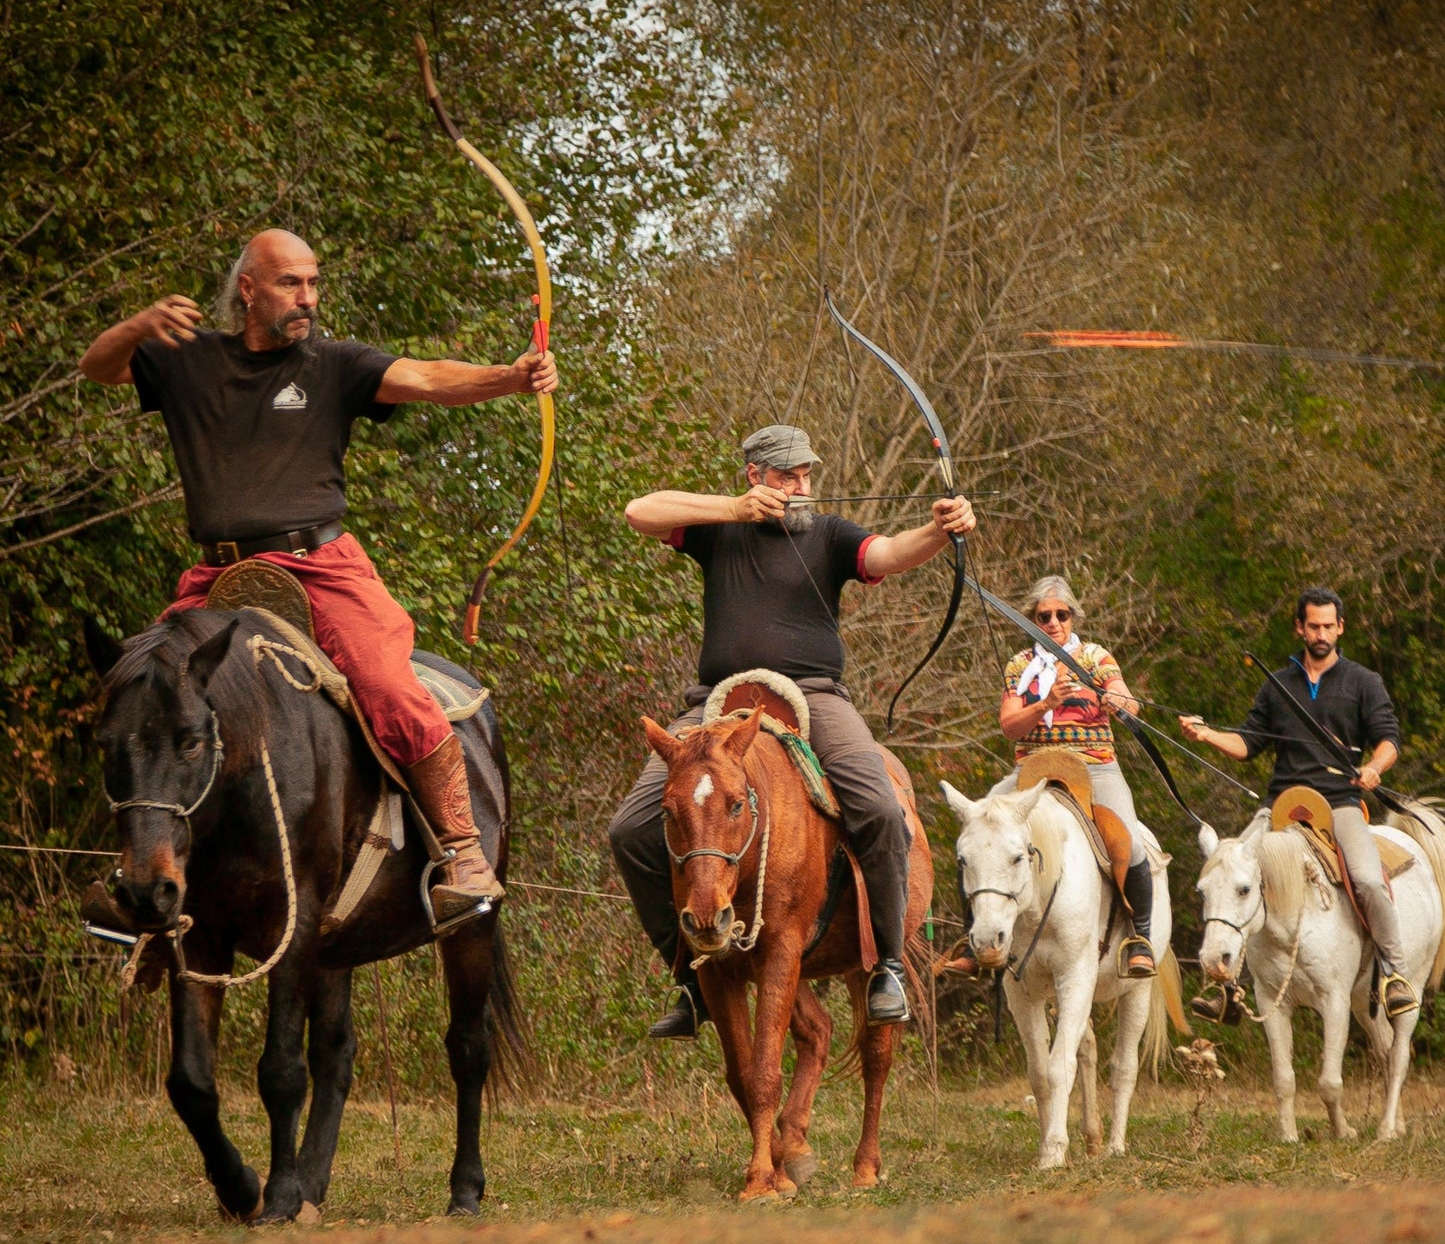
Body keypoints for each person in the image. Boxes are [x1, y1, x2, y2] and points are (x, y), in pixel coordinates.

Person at [78, 228, 558, 929]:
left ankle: (460, 852)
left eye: (312, 282)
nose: (306, 296)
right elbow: (98, 368)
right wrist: (140, 325)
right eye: (289, 283)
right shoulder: (186, 359)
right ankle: (138, 885)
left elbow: (425, 376)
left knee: (390, 686)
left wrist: (510, 377)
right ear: (248, 289)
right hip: (218, 573)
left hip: (319, 566)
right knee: (142, 697)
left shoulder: (333, 364)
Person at [608, 424, 977, 1036]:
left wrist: (939, 531)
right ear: (755, 475)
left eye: (806, 473)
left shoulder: (829, 534)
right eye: (786, 474)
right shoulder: (719, 530)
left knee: (882, 810)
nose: (800, 485)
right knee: (629, 830)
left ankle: (886, 966)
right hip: (718, 706)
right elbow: (637, 511)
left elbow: (886, 554)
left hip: (812, 697)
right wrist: (733, 509)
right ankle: (689, 972)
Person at [1179, 586, 1414, 1020]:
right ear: (1299, 628)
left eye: (1329, 625)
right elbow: (1249, 743)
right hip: (1281, 806)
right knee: (1229, 874)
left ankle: (1394, 973)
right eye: (1313, 625)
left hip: (1340, 803)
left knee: (1368, 880)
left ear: (1340, 628)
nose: (1321, 633)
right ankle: (1224, 987)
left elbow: (1388, 740)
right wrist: (1207, 734)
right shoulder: (1277, 686)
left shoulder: (1363, 682)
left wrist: (1375, 768)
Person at [951, 574, 1158, 978]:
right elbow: (1010, 726)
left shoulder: (1096, 657)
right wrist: (1046, 702)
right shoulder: (1019, 666)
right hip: (1032, 768)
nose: (1053, 622)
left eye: (1061, 614)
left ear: (1072, 617)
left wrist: (1119, 701)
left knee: (1129, 845)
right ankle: (975, 941)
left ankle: (1140, 937)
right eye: (1044, 615)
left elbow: (1128, 700)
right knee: (978, 829)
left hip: (1093, 765)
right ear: (1032, 618)